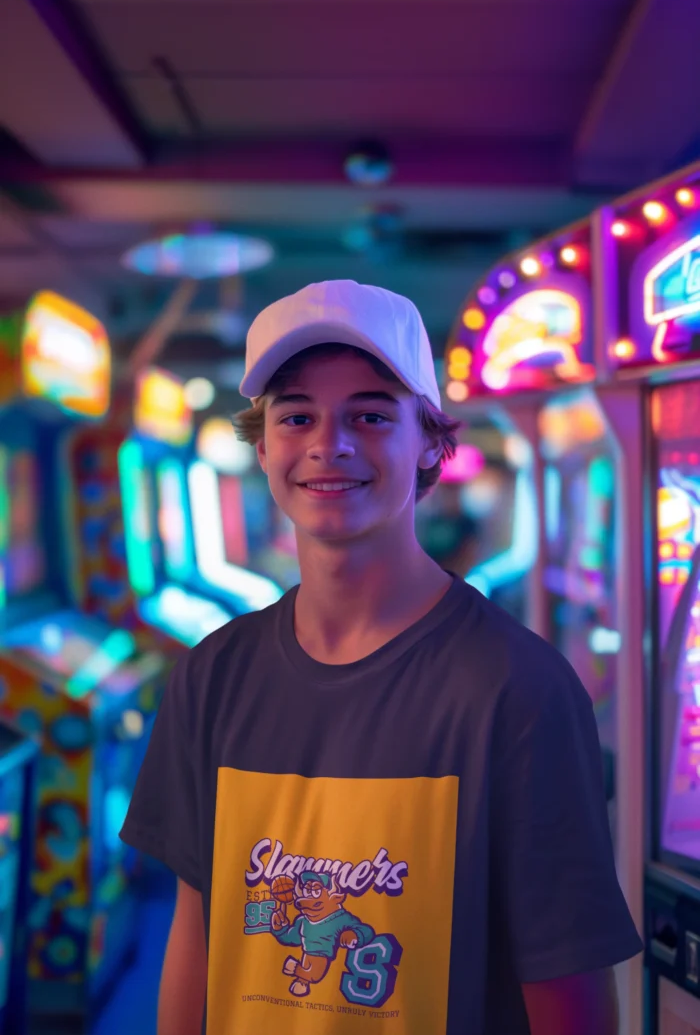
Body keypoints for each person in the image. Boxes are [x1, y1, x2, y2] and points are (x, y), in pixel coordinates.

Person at [120, 280, 642, 1035]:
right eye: (297, 416)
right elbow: (198, 933)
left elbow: (570, 993)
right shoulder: (212, 672)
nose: (328, 444)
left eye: (369, 415)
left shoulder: (518, 688)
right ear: (263, 445)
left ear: (431, 442)